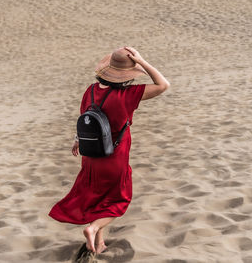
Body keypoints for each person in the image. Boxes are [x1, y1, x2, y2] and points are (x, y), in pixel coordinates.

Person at [48, 46, 170, 254]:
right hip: (115, 157)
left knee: (97, 197)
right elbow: (163, 84)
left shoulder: (91, 91)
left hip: (91, 155)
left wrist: (77, 140)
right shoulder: (128, 95)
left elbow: (84, 117)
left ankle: (100, 243)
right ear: (128, 76)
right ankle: (93, 228)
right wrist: (141, 61)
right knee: (118, 201)